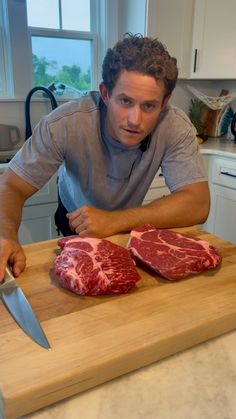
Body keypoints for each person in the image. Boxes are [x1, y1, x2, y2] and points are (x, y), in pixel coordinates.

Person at [0, 33, 210, 282]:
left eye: (149, 106)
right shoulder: (64, 124)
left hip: (128, 222)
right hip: (75, 217)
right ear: (106, 94)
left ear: (164, 103)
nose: (135, 120)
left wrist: (116, 220)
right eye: (125, 101)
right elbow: (12, 185)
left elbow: (198, 203)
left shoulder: (175, 126)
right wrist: (5, 235)